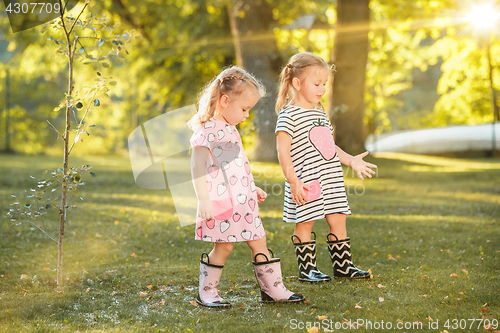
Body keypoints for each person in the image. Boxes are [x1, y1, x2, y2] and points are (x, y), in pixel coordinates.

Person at [188, 66, 304, 308]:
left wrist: (252, 188)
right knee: (224, 247)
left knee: (259, 241)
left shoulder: (230, 129)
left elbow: (237, 166)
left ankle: (273, 289)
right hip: (219, 201)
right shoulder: (206, 130)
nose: (246, 115)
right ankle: (207, 292)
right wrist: (203, 200)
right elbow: (197, 169)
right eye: (244, 109)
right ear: (224, 100)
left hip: (244, 200)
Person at [274, 52, 377, 283]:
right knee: (306, 221)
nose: (322, 89)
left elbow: (329, 146)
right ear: (297, 83)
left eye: (324, 84)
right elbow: (282, 153)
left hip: (331, 178)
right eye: (317, 84)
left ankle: (343, 267)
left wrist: (351, 160)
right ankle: (307, 269)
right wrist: (294, 182)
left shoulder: (320, 113)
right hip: (306, 181)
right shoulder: (288, 116)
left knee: (339, 217)